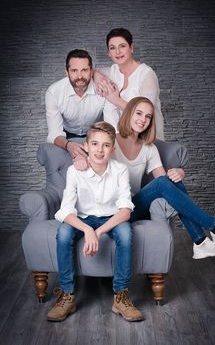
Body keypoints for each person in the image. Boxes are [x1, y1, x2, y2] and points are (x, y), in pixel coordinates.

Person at [74, 97, 215, 260]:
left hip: (132, 208)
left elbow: (166, 183)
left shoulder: (148, 148)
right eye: (138, 113)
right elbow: (89, 152)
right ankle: (214, 230)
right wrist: (79, 158)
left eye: (148, 116)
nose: (142, 119)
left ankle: (202, 242)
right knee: (163, 184)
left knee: (171, 181)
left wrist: (179, 172)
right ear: (129, 113)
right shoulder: (110, 141)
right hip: (109, 212)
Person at [47, 121, 144, 322]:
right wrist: (88, 230)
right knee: (63, 233)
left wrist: (98, 232)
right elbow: (65, 210)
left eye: (106, 145)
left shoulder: (120, 170)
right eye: (95, 144)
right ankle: (67, 295)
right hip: (82, 218)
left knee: (125, 233)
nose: (100, 150)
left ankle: (121, 296)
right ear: (86, 145)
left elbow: (125, 211)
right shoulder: (74, 172)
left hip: (111, 217)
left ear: (113, 149)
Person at [95, 27, 164, 141]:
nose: (118, 52)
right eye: (113, 48)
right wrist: (98, 79)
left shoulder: (146, 75)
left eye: (122, 46)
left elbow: (145, 113)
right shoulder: (112, 71)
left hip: (147, 139)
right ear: (108, 53)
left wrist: (115, 99)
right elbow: (91, 71)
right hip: (122, 140)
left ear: (131, 48)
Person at [45, 49, 106, 159]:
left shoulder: (103, 88)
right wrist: (68, 145)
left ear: (91, 71)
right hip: (67, 135)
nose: (79, 76)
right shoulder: (54, 92)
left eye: (84, 70)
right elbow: (54, 132)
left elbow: (112, 125)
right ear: (66, 72)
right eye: (74, 71)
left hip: (97, 132)